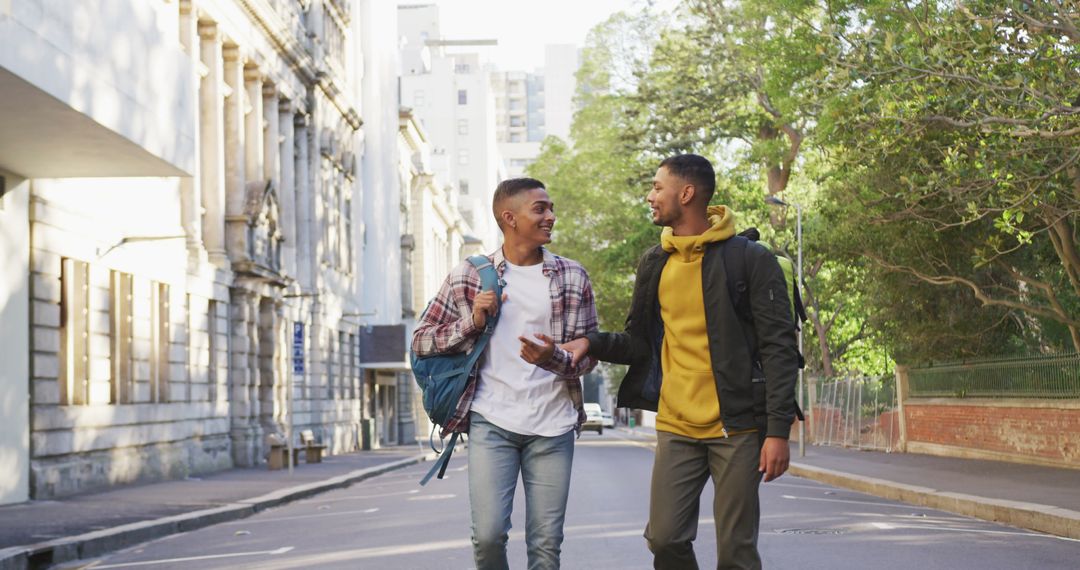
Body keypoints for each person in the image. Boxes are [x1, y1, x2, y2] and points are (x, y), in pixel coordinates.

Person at [562, 154, 800, 569]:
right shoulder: (656, 262)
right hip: (676, 423)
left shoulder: (749, 259)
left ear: (686, 193)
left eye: (658, 187)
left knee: (736, 550)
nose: (650, 196)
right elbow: (639, 343)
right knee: (664, 539)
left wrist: (778, 431)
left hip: (738, 424)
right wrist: (591, 343)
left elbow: (779, 349)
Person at [411, 177, 599, 570]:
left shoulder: (573, 276)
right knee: (489, 536)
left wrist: (552, 358)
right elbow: (422, 342)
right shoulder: (470, 275)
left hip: (554, 425)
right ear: (508, 218)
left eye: (550, 208)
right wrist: (473, 322)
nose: (551, 216)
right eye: (540, 209)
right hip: (491, 422)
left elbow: (588, 355)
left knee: (546, 545)